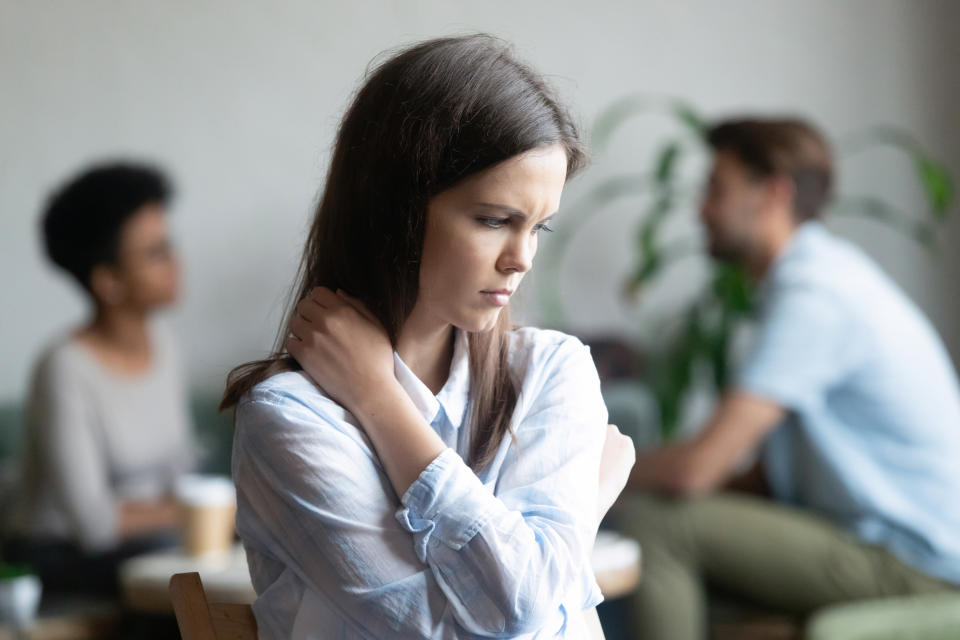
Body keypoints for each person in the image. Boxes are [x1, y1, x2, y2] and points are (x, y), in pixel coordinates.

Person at [221, 35, 636, 639]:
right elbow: (467, 628)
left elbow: (520, 609)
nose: (521, 259)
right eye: (495, 220)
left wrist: (554, 569)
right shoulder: (291, 418)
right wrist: (380, 402)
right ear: (396, 211)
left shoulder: (551, 370)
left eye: (539, 226)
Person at [613, 118, 960, 639]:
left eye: (717, 189)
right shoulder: (820, 280)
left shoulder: (816, 297)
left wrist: (585, 469)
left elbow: (696, 471)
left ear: (774, 194)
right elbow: (760, 479)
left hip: (916, 562)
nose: (700, 210)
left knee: (655, 524)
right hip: (887, 543)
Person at [5, 163, 196, 596]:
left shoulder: (165, 346)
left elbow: (179, 469)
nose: (176, 262)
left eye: (170, 245)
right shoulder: (64, 368)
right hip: (53, 554)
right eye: (156, 253)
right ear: (108, 281)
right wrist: (196, 512)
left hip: (149, 543)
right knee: (180, 566)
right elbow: (93, 525)